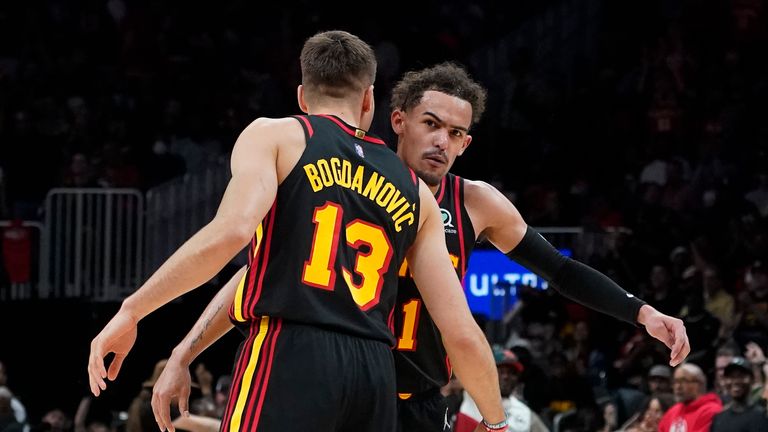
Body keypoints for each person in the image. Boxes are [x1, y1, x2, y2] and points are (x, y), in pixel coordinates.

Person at [151, 62, 691, 432]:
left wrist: (641, 312)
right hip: (353, 384)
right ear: (398, 120)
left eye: (456, 133)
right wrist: (185, 352)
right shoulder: (344, 178)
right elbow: (257, 274)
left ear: (467, 142)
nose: (442, 141)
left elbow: (560, 270)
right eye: (432, 124)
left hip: (421, 403)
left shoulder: (476, 202)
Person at [87, 31, 506, 432]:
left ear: (303, 96)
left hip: (292, 349)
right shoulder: (416, 191)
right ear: (368, 100)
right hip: (376, 372)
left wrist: (132, 310)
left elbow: (231, 234)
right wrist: (495, 419)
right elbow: (459, 329)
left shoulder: (278, 135)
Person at [453, 346, 549, 432]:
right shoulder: (467, 394)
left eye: (512, 373)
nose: (506, 377)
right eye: (501, 371)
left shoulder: (525, 414)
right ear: (488, 372)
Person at [658, 363, 722, 432]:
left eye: (683, 381)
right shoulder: (673, 411)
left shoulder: (711, 411)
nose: (677, 387)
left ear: (699, 384)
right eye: (675, 382)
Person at [710, 357, 768, 432]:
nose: (736, 381)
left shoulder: (762, 416)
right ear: (725, 381)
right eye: (731, 377)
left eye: (741, 376)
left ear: (752, 379)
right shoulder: (718, 419)